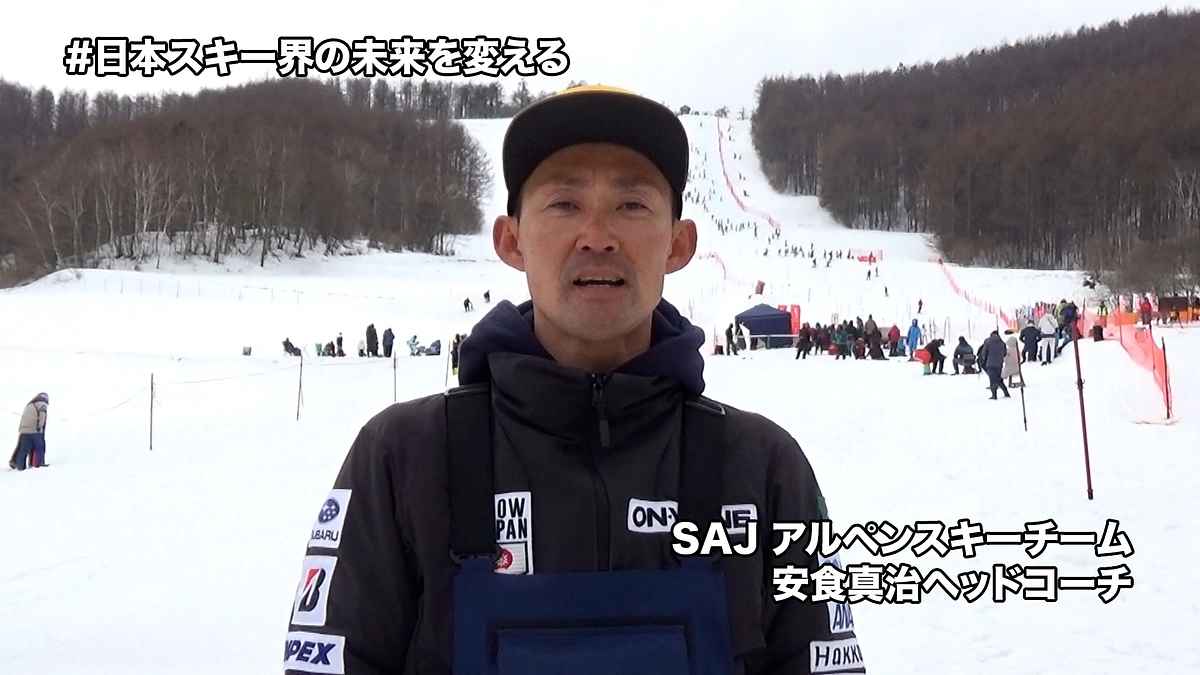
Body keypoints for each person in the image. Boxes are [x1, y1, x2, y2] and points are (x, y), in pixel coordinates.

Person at [283, 85, 864, 675]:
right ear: (511, 241)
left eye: (631, 205)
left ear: (678, 244)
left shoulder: (762, 468)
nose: (597, 235)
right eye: (564, 203)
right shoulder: (405, 458)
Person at [11, 393, 49, 470]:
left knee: (23, 449)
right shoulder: (42, 404)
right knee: (40, 447)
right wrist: (40, 427)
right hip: (34, 430)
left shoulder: (29, 404)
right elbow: (42, 416)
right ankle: (38, 464)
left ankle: (20, 467)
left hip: (24, 430)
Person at [980, 331, 1011, 399]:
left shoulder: (988, 342)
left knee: (992, 380)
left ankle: (994, 395)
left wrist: (984, 358)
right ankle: (1006, 393)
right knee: (999, 379)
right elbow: (1004, 353)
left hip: (990, 364)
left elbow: (984, 353)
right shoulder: (1002, 343)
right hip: (999, 364)